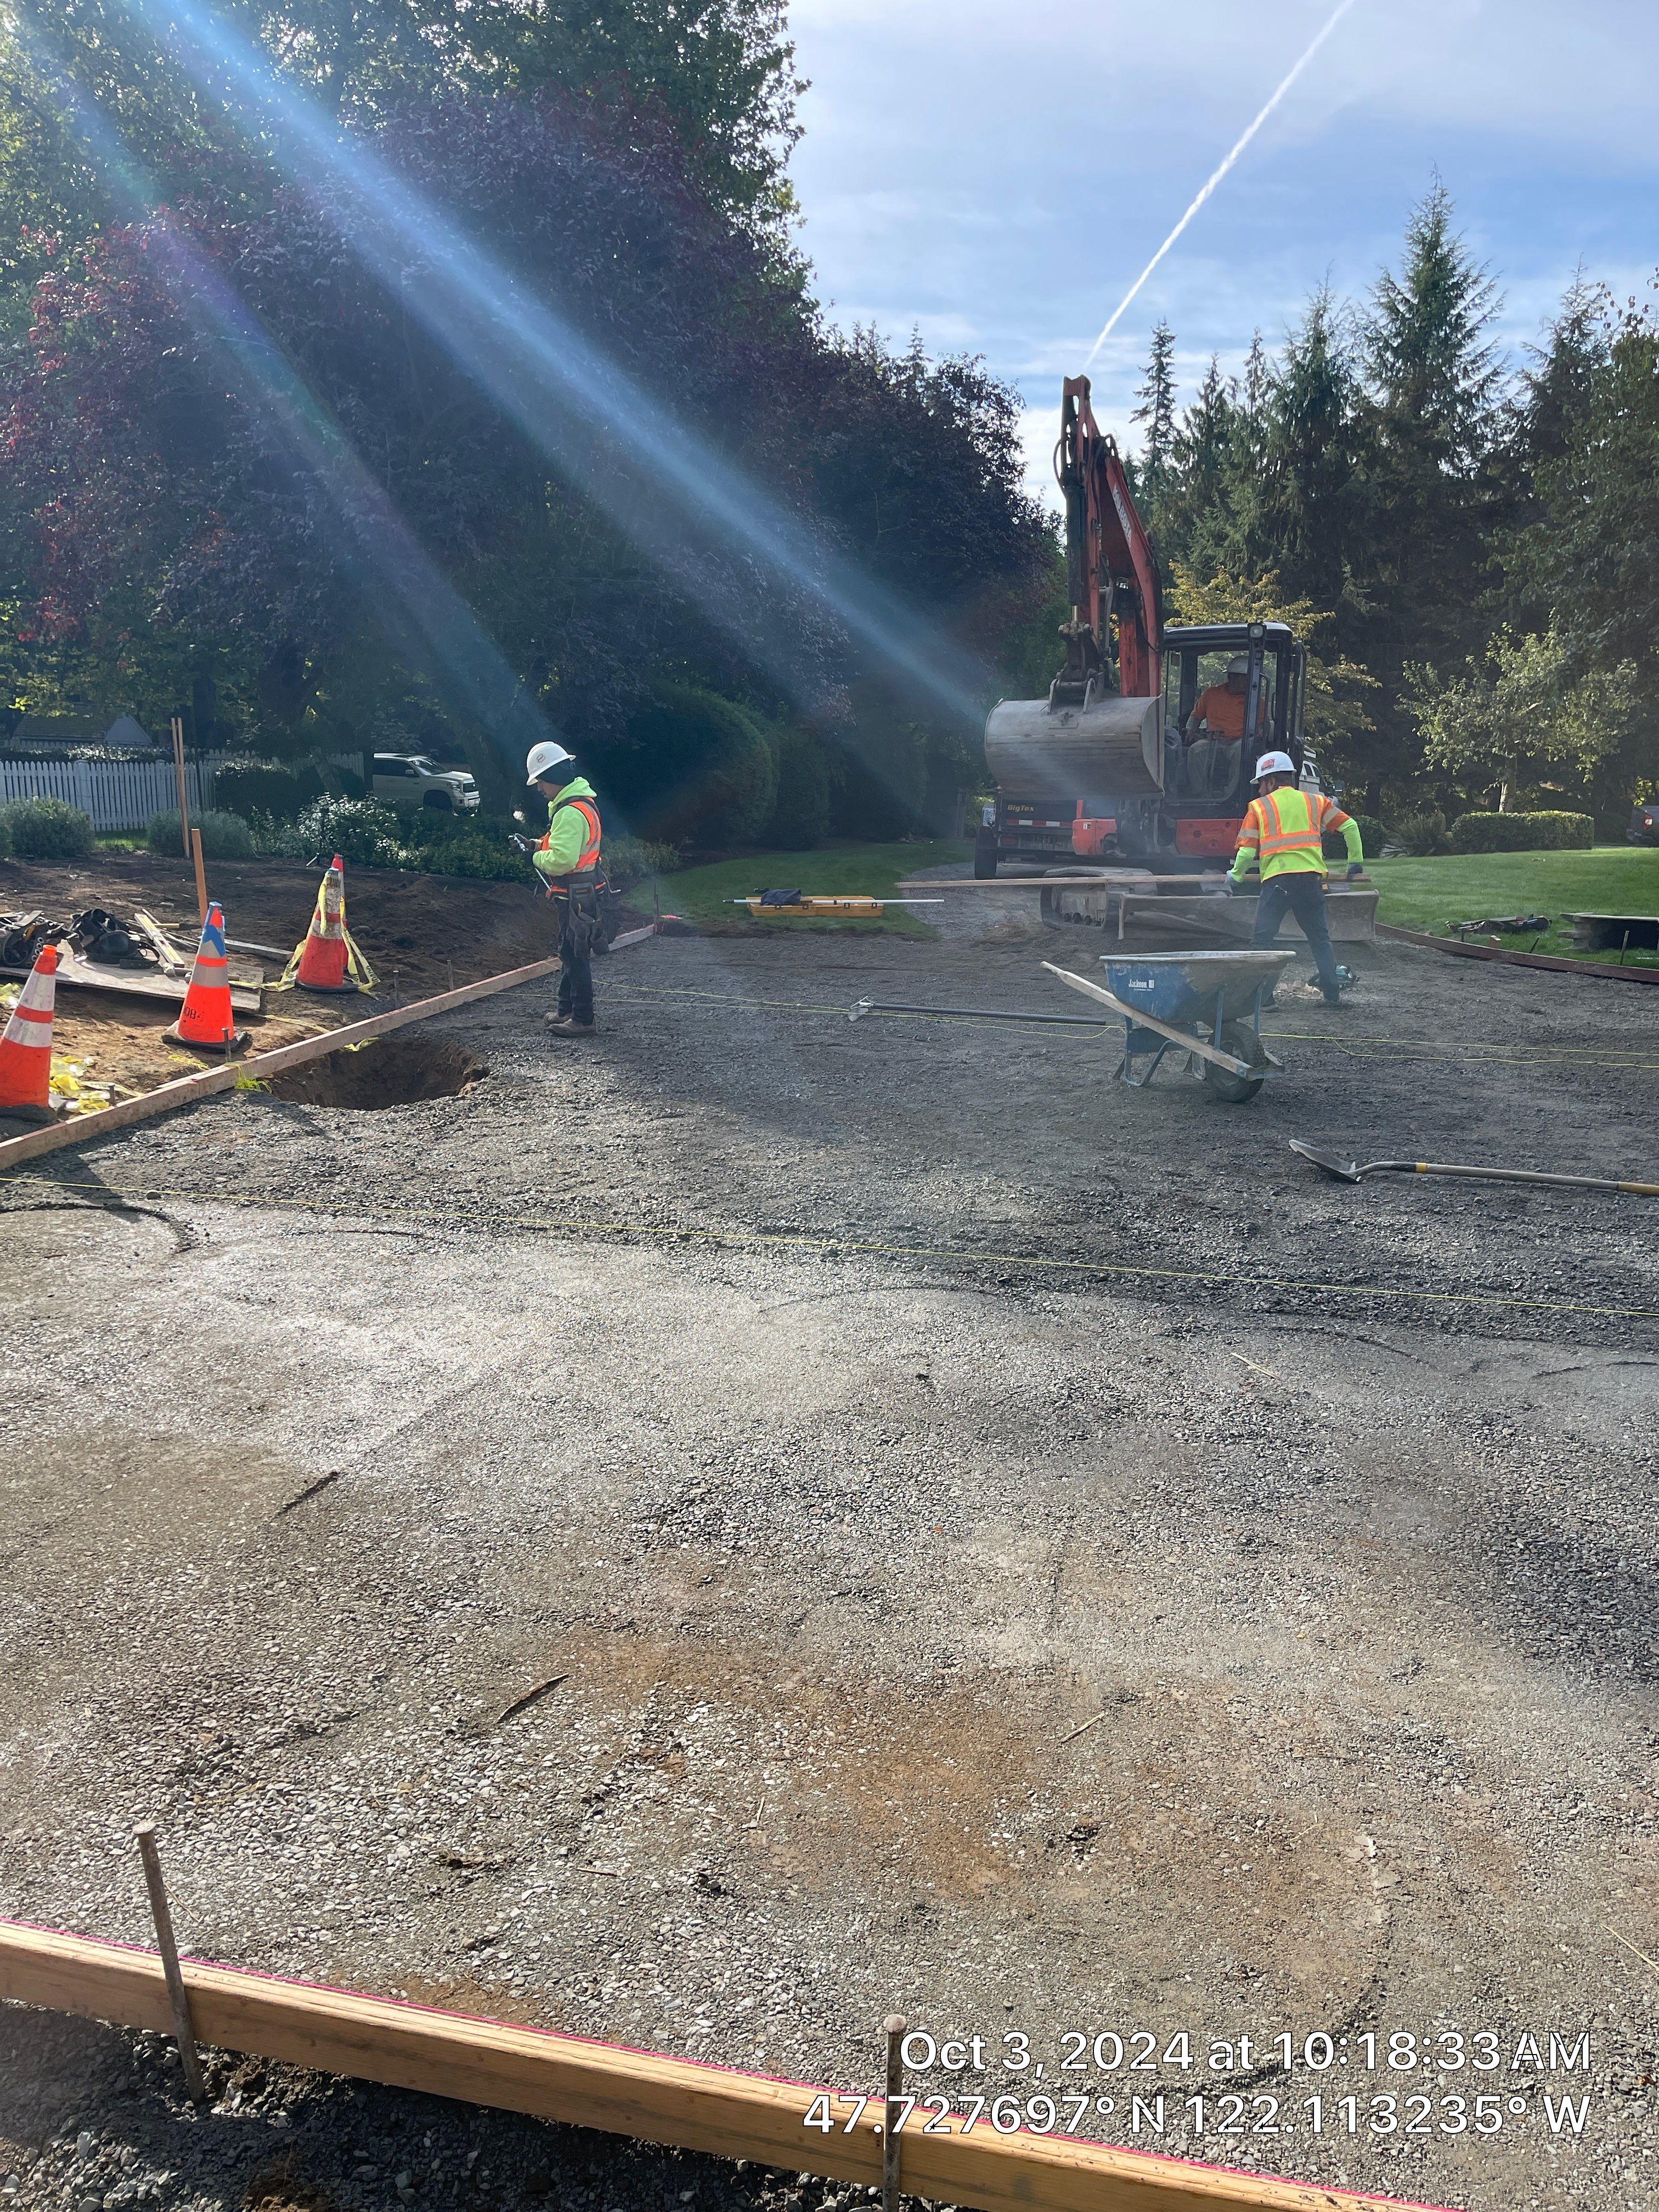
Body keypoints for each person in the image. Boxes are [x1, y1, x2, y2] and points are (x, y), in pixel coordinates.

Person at [1226, 750, 1363, 1007]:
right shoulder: (1316, 802)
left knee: (1262, 942)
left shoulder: (1259, 807)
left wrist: (1235, 877)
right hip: (1311, 883)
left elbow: (1246, 852)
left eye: (1260, 785)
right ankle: (1332, 996)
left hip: (1278, 883)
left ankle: (1264, 1001)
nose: (1258, 791)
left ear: (1270, 781)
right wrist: (1355, 862)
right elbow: (1351, 827)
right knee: (1320, 940)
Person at [519, 740, 603, 1036]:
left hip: (574, 893)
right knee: (569, 951)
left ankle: (583, 1018)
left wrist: (533, 856)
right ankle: (567, 1010)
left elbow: (563, 860)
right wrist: (536, 845)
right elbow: (568, 847)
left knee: (575, 954)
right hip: (584, 891)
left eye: (540, 781)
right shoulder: (580, 804)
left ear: (553, 777)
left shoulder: (569, 811)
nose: (539, 788)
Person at [1188, 656, 1251, 743]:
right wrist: (1190, 731)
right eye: (1232, 676)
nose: (1233, 680)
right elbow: (1196, 716)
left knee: (1243, 748)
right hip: (1213, 742)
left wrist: (1262, 730)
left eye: (1238, 677)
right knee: (1196, 749)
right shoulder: (1211, 694)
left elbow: (1263, 724)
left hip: (1239, 742)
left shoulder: (1254, 700)